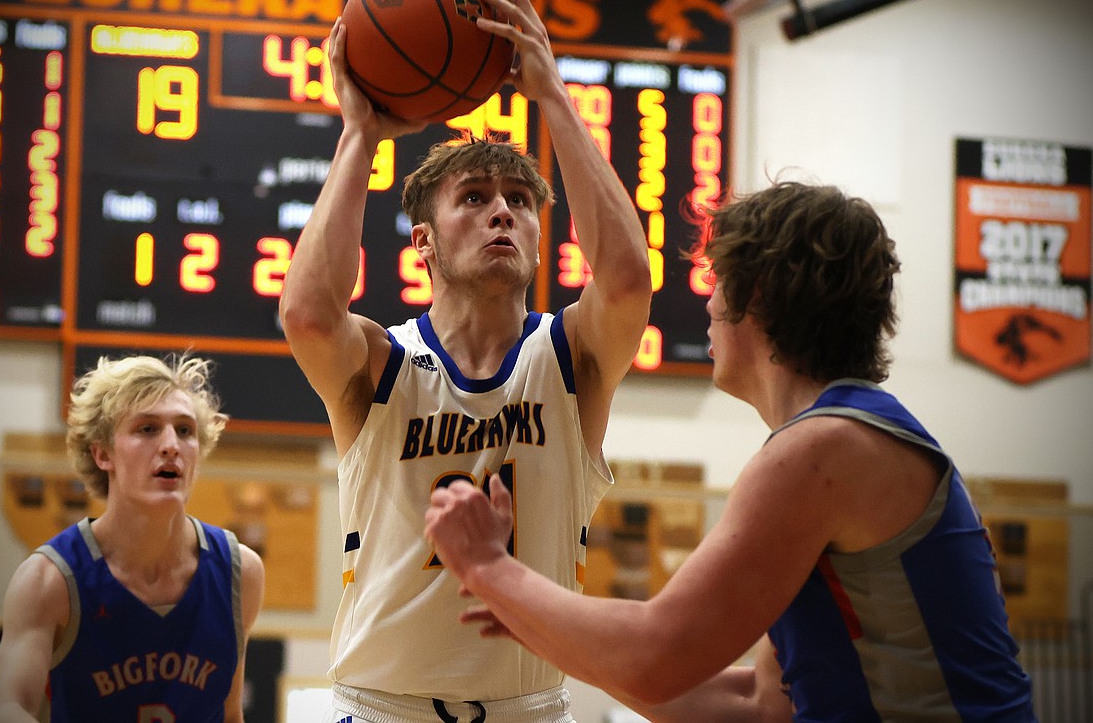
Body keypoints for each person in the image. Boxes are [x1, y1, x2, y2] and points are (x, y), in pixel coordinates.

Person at [425, 181, 1037, 721]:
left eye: (718, 283)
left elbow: (658, 656)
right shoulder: (843, 437)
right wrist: (546, 627)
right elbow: (761, 706)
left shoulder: (821, 452)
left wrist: (488, 567)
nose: (709, 306)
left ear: (761, 296)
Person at [279, 0, 651, 723]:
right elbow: (310, 316)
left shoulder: (569, 358)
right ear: (423, 242)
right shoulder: (383, 366)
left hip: (531, 709)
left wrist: (554, 95)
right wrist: (360, 135)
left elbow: (628, 279)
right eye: (474, 199)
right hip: (385, 708)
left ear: (543, 238)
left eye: (519, 202)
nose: (502, 214)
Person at [0, 354, 265, 723]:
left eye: (184, 430)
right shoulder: (49, 580)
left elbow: (230, 713)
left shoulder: (240, 572)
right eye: (147, 429)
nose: (171, 445)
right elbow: (10, 707)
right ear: (103, 453)